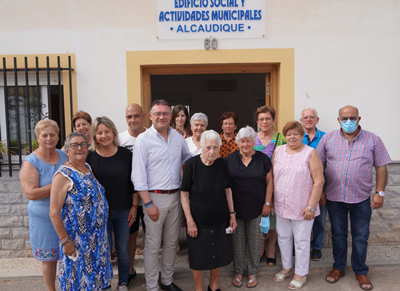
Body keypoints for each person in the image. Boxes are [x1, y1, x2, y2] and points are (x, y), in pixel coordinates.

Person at [317, 105, 391, 291]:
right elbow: (317, 166)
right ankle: (338, 268)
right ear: (338, 119)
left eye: (352, 118)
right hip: (335, 198)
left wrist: (379, 193)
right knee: (338, 235)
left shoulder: (373, 139)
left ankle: (360, 270)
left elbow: (381, 167)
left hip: (361, 199)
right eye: (344, 118)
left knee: (360, 236)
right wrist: (320, 191)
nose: (348, 121)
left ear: (359, 119)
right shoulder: (328, 139)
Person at [131, 99, 192, 291]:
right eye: (157, 113)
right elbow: (138, 175)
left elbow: (188, 160)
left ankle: (166, 281)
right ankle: (151, 286)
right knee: (152, 244)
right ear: (150, 116)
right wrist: (148, 204)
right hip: (154, 198)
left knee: (172, 242)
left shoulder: (178, 137)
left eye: (165, 113)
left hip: (176, 196)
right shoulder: (143, 139)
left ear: (170, 116)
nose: (162, 117)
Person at [49, 132, 113, 291]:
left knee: (99, 284)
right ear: (66, 150)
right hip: (77, 244)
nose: (79, 148)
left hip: (98, 244)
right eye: (74, 145)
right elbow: (53, 212)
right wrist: (65, 241)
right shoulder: (62, 175)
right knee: (79, 284)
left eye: (83, 144)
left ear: (88, 148)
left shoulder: (87, 168)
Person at [181, 130, 237, 291]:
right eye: (208, 148)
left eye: (215, 147)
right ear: (202, 147)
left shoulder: (223, 164)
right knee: (198, 257)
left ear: (219, 148)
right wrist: (190, 221)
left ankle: (213, 285)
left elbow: (228, 191)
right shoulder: (191, 165)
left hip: (220, 218)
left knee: (218, 255)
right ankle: (198, 288)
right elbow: (184, 195)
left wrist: (232, 215)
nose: (212, 151)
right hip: (198, 221)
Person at [86, 116, 137, 291]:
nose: (104, 135)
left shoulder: (125, 154)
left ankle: (122, 282)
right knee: (104, 250)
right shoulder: (89, 156)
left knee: (122, 249)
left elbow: (134, 183)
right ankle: (105, 282)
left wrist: (134, 207)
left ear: (113, 133)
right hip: (100, 212)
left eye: (107, 131)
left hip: (123, 209)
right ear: (94, 136)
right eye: (99, 132)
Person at [272, 121, 324, 290]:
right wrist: (271, 200)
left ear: (302, 136)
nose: (291, 137)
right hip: (281, 205)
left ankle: (300, 273)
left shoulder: (310, 153)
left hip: (303, 208)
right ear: (284, 136)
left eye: (295, 133)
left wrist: (311, 206)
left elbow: (319, 181)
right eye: (288, 134)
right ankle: (287, 267)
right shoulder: (278, 151)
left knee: (301, 241)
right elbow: (272, 177)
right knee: (283, 238)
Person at [19, 119, 67, 291]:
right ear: (38, 137)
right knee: (49, 258)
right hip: (44, 217)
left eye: (52, 134)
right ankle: (51, 289)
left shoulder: (64, 155)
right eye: (44, 135)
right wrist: (58, 183)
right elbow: (30, 193)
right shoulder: (31, 162)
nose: (49, 138)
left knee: (67, 253)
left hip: (66, 214)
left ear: (58, 136)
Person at [226, 126, 273, 288]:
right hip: (235, 209)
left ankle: (253, 272)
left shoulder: (262, 159)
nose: (245, 144)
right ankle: (238, 271)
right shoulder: (229, 159)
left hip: (257, 208)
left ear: (254, 142)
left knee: (254, 242)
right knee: (237, 243)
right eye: (242, 141)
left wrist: (267, 203)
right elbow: (225, 186)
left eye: (248, 141)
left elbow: (270, 182)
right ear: (237, 142)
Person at [254, 105, 286, 266]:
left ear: (273, 120)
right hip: (255, 186)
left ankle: (271, 249)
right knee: (259, 218)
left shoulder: (281, 138)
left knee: (273, 218)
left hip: (277, 184)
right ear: (257, 121)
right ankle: (260, 249)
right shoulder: (252, 138)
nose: (264, 121)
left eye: (267, 118)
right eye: (261, 119)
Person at [119, 103, 147, 285]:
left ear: (143, 116)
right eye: (129, 117)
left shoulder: (151, 136)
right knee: (131, 235)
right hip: (129, 198)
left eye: (136, 116)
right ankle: (130, 271)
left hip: (151, 196)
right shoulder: (120, 139)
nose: (133, 120)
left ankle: (154, 273)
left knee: (153, 236)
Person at [300, 108, 326, 261]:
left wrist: (323, 189)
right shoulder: (295, 136)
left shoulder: (325, 138)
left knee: (319, 219)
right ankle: (299, 246)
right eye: (305, 117)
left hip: (319, 185)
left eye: (311, 117)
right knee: (299, 217)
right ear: (301, 120)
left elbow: (329, 164)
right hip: (301, 186)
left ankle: (316, 247)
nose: (308, 119)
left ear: (317, 119)